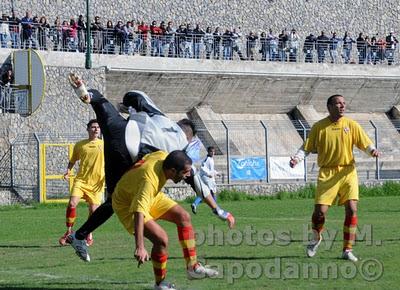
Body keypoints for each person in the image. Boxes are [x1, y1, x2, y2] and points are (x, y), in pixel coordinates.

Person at [66, 73, 235, 262]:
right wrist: (218, 209)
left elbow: (136, 95)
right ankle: (80, 236)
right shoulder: (180, 148)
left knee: (101, 102)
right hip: (129, 149)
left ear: (177, 123)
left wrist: (126, 105)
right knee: (116, 200)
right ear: (190, 137)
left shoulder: (161, 116)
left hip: (121, 128)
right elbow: (197, 182)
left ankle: (88, 94)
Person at [290, 94, 380, 262]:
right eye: (338, 103)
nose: (342, 106)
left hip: (348, 172)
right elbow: (306, 147)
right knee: (320, 213)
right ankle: (316, 238)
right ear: (329, 107)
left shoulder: (351, 125)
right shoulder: (319, 127)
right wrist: (296, 158)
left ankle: (347, 249)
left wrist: (372, 151)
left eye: (344, 103)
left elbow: (365, 143)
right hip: (327, 173)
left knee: (352, 209)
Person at [113, 150, 218, 290]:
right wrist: (140, 247)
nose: (188, 175)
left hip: (149, 196)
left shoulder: (163, 156)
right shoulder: (149, 181)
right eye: (185, 172)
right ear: (173, 171)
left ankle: (193, 268)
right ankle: (160, 284)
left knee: (184, 217)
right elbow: (139, 212)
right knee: (161, 239)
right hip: (127, 205)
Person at [58, 119, 105, 247]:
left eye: (98, 127)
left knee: (94, 211)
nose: (96, 129)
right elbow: (73, 160)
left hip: (96, 184)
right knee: (72, 204)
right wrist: (68, 171)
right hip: (81, 181)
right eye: (93, 127)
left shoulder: (104, 145)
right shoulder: (80, 145)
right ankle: (68, 232)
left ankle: (89, 234)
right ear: (88, 129)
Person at [191, 146, 219, 214]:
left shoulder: (210, 159)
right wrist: (208, 174)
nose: (212, 153)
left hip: (207, 177)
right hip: (207, 178)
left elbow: (211, 170)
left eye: (213, 151)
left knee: (206, 193)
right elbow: (203, 167)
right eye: (211, 151)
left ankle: (195, 203)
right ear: (208, 152)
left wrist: (217, 173)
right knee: (212, 193)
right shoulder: (208, 159)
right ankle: (216, 209)